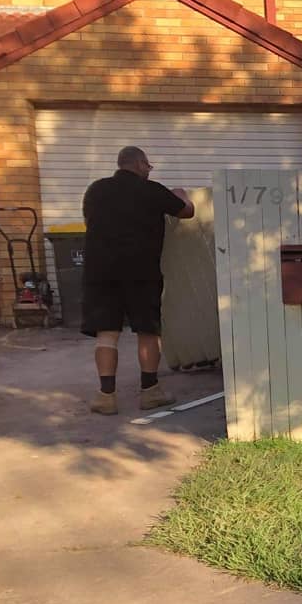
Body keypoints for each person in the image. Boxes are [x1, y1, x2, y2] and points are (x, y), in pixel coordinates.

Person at [80, 146, 194, 414]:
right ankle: (150, 392)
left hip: (101, 272)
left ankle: (106, 396)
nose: (148, 170)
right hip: (141, 271)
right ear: (141, 164)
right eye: (148, 166)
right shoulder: (152, 190)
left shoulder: (95, 190)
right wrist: (181, 194)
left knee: (107, 333)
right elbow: (187, 211)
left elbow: (89, 220)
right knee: (147, 330)